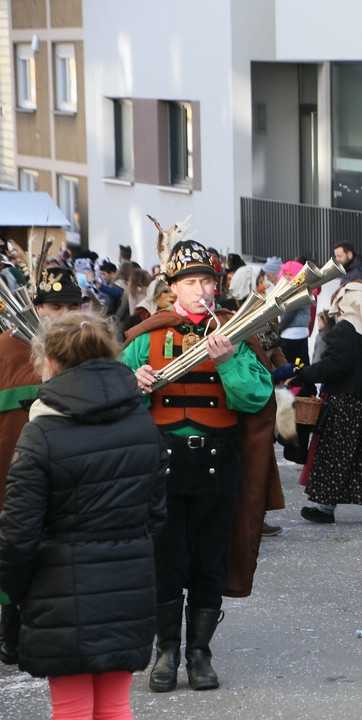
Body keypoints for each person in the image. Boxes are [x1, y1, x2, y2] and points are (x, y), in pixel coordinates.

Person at [123, 237, 275, 692]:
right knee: (166, 561)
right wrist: (133, 382)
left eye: (207, 279)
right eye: (190, 281)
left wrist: (228, 361)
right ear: (173, 288)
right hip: (160, 465)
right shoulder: (146, 335)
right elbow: (110, 394)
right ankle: (166, 652)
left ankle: (199, 654)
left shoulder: (235, 332)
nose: (200, 288)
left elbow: (256, 397)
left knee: (209, 561)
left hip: (218, 462)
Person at [0, 312, 168, 719]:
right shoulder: (141, 419)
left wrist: (16, 593)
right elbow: (156, 514)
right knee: (114, 706)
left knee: (72, 709)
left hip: (58, 590)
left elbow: (18, 533)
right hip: (128, 584)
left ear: (50, 362)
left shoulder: (41, 430)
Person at [0, 267, 85, 667]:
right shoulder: (4, 351)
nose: (62, 314)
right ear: (37, 307)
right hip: (11, 469)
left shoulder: (89, 351)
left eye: (71, 305)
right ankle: (11, 630)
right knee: (16, 546)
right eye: (54, 306)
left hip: (71, 472)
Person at [294, 281, 362, 524]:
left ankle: (325, 508)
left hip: (345, 404)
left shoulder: (343, 331)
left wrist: (306, 374)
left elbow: (334, 366)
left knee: (336, 455)